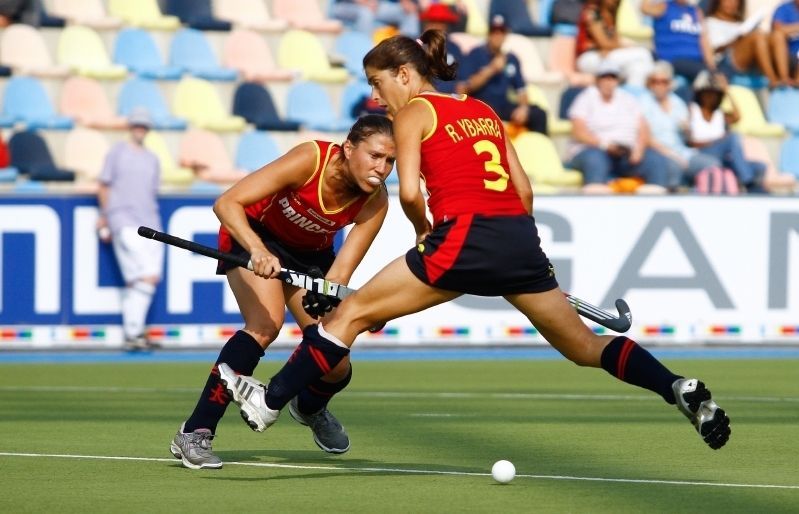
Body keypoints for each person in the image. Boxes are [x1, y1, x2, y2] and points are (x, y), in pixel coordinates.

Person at [218, 30, 731, 454]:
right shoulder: (483, 109)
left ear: (404, 73)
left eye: (378, 84)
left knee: (345, 318)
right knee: (584, 346)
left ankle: (269, 402)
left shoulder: (413, 112)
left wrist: (426, 233)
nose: (377, 98)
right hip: (518, 238)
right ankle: (674, 386)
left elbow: (412, 192)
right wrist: (513, 250)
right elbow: (523, 191)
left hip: (461, 237)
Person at [168, 115, 395, 470]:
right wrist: (258, 251)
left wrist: (333, 295)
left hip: (311, 258)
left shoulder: (375, 202)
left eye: (390, 161)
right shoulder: (311, 159)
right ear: (348, 149)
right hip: (256, 235)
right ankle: (196, 431)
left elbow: (339, 273)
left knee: (337, 358)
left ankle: (310, 407)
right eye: (376, 156)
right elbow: (227, 204)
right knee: (265, 325)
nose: (382, 168)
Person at [96, 108, 163, 351]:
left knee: (142, 280)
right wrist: (105, 215)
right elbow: (104, 185)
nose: (140, 129)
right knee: (145, 276)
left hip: (150, 222)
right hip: (123, 219)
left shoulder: (152, 158)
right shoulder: (117, 152)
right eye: (136, 125)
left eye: (143, 126)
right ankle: (133, 332)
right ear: (130, 127)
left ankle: (134, 332)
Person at [566, 61, 672, 192]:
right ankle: (595, 200)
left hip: (626, 152)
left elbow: (644, 126)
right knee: (596, 160)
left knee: (655, 161)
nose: (609, 81)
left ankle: (654, 201)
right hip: (594, 150)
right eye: (605, 77)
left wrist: (638, 149)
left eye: (612, 77)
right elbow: (579, 132)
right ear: (597, 80)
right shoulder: (586, 98)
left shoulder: (627, 99)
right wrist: (605, 145)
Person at [458, 15, 548, 135]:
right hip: (480, 105)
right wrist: (491, 70)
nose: (498, 35)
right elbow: (464, 88)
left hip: (503, 106)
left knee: (538, 114)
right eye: (494, 31)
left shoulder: (511, 59)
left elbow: (521, 90)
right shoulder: (475, 54)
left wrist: (523, 108)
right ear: (489, 33)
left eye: (501, 31)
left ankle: (538, 149)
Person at [638, 60, 722, 187]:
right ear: (650, 83)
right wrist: (672, 155)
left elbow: (688, 138)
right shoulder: (643, 103)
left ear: (670, 84)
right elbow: (646, 138)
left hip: (682, 152)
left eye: (664, 82)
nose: (660, 85)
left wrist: (687, 130)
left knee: (712, 164)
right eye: (656, 81)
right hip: (659, 153)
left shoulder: (678, 103)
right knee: (674, 168)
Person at [687, 70, 766, 191]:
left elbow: (737, 116)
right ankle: (747, 181)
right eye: (707, 93)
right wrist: (716, 142)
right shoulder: (693, 110)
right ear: (701, 94)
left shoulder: (720, 114)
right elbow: (690, 142)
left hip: (721, 155)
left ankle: (752, 186)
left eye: (715, 94)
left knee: (760, 166)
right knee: (733, 137)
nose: (711, 97)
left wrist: (726, 91)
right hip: (701, 152)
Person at [705, 0, 788, 88]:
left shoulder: (740, 24)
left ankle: (785, 78)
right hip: (725, 62)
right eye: (727, 1)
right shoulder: (709, 22)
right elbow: (713, 49)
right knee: (756, 37)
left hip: (748, 60)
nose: (731, 4)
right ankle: (773, 80)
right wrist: (736, 39)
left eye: (735, 1)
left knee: (776, 36)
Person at [575, 0, 655, 88]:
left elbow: (614, 41)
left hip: (607, 55)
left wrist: (618, 46)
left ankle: (631, 96)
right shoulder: (592, 13)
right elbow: (604, 43)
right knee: (644, 54)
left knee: (638, 68)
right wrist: (624, 46)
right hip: (589, 57)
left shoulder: (611, 15)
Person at [642, 0, 718, 83]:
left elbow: (704, 41)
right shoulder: (664, 7)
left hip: (696, 62)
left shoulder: (695, 11)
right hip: (672, 60)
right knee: (706, 75)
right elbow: (645, 9)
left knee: (717, 75)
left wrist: (712, 68)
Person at [419, 3, 463, 94]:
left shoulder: (455, 49)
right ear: (426, 24)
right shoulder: (416, 47)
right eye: (433, 21)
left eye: (441, 22)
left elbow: (462, 80)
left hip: (449, 98)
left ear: (446, 25)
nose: (436, 26)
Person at [329, 0, 421, 37]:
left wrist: (406, 2)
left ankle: (408, 46)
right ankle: (365, 53)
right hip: (346, 6)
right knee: (366, 13)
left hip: (377, 5)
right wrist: (365, 3)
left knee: (408, 11)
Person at [771, 0, 799, 85]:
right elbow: (778, 29)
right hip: (788, 56)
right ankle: (784, 80)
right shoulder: (784, 8)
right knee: (778, 36)